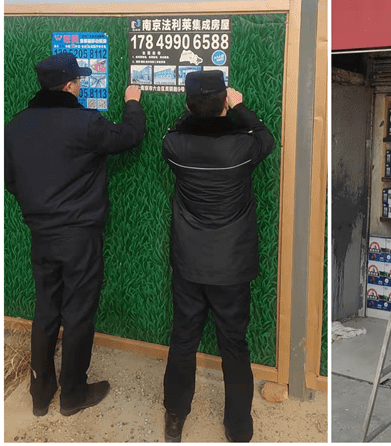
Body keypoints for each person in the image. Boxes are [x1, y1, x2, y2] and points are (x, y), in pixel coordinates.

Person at [4, 52, 146, 417]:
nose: (81, 84)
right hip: (79, 236)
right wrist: (133, 103)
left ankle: (40, 393)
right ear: (70, 86)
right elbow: (129, 136)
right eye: (79, 80)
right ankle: (73, 394)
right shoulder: (84, 122)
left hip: (42, 233)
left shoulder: (15, 126)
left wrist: (36, 206)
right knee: (79, 313)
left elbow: (10, 178)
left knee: (47, 310)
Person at [162, 70, 274, 443]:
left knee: (183, 340)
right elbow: (265, 138)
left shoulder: (174, 147)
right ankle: (239, 427)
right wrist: (239, 108)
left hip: (190, 265)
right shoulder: (241, 150)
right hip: (232, 267)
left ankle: (175, 418)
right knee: (234, 344)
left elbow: (177, 128)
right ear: (225, 102)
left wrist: (197, 112)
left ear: (188, 105)